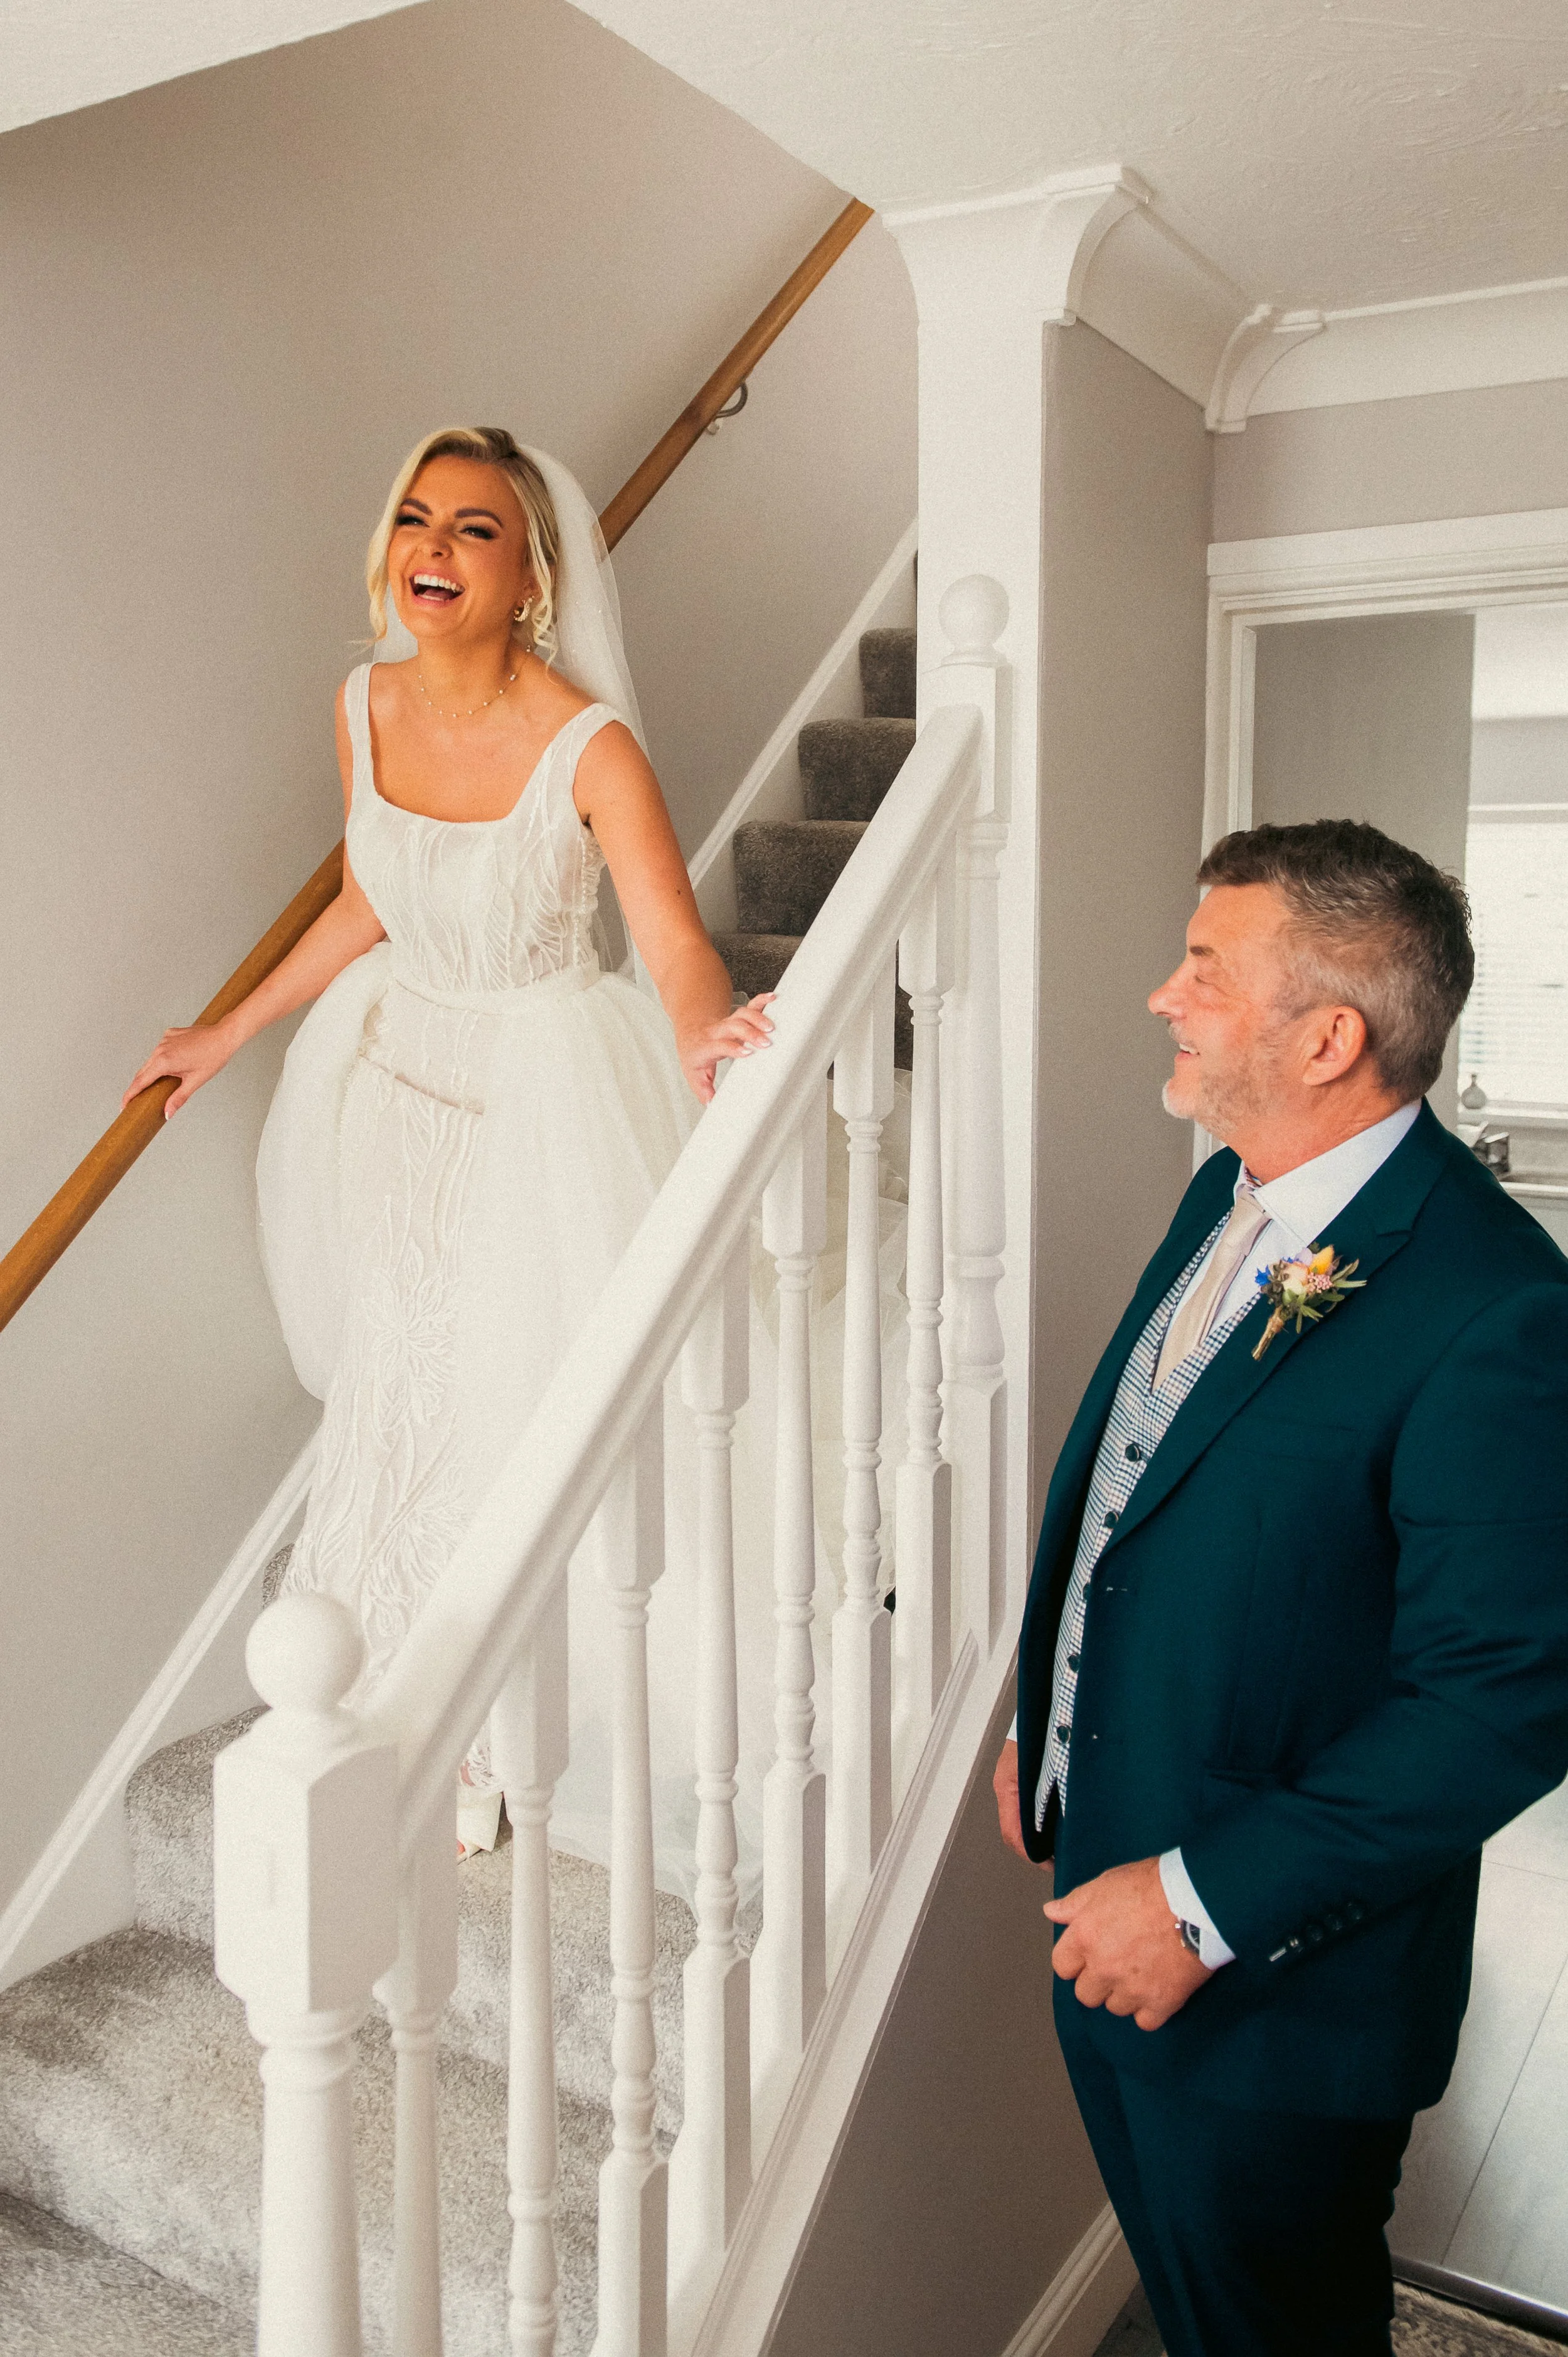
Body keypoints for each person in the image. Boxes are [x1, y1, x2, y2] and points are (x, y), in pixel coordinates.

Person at [126, 426, 774, 1853]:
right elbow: (374, 896)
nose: (432, 548)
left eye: (474, 528)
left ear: (531, 575)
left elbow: (673, 943)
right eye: (417, 519)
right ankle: (355, 1692)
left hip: (538, 1100)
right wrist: (228, 1031)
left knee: (500, 1400)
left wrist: (702, 1034)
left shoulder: (591, 747)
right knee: (394, 1381)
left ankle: (480, 1729)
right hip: (391, 1088)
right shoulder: (363, 702)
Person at [995, 819, 1568, 2357]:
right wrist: (1047, 1715)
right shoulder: (1226, 1195)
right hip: (1101, 1891)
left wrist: (1197, 1910)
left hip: (1273, 1996)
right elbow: (1139, 1497)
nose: (1160, 998)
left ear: (1327, 1038)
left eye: (1203, 970)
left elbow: (1496, 1707)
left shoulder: (1498, 1309)